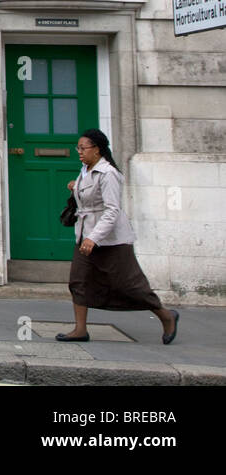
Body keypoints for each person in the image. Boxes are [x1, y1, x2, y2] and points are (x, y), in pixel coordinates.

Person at [56, 129, 178, 344]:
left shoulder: (108, 173)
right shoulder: (86, 169)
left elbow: (112, 210)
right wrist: (76, 187)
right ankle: (80, 329)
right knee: (78, 281)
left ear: (97, 149)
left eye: (83, 148)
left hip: (111, 240)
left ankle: (166, 315)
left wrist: (94, 238)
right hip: (85, 235)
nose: (79, 152)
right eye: (78, 148)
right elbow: (89, 197)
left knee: (130, 285)